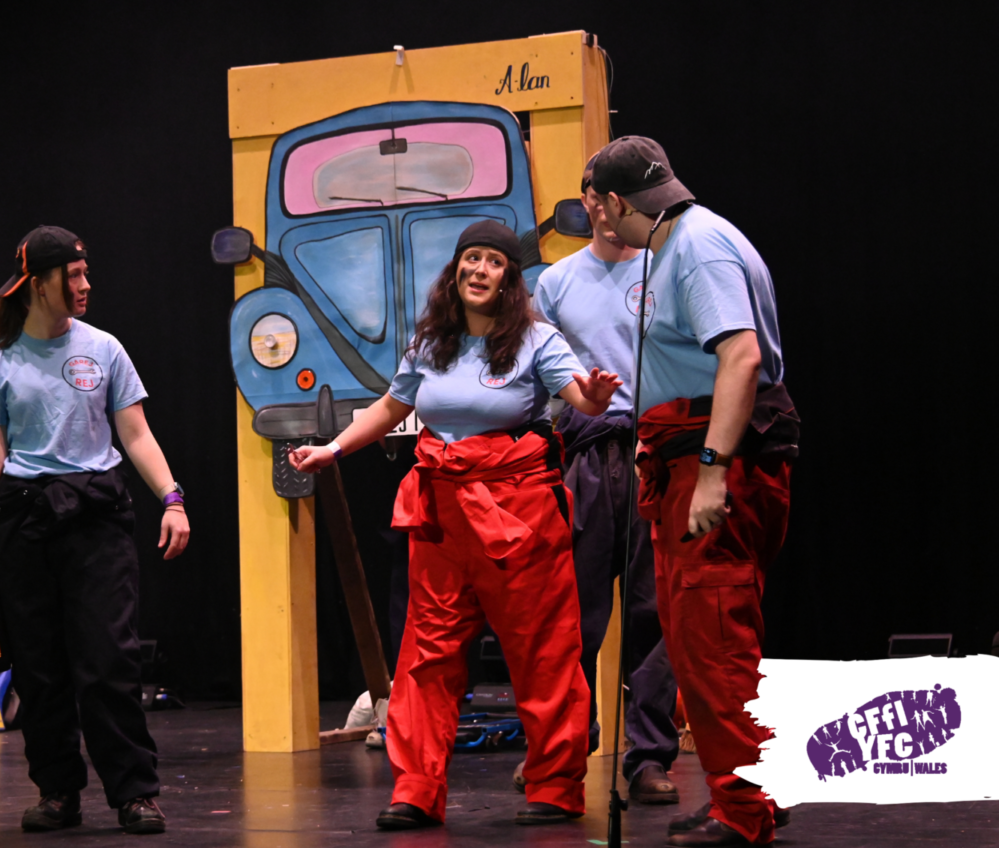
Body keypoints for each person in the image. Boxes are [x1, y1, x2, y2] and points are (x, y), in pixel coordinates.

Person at [290, 221, 622, 829]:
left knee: (543, 651)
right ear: (456, 270)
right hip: (442, 515)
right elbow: (391, 406)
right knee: (426, 654)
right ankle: (416, 789)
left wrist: (596, 397)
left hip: (517, 513)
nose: (479, 269)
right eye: (471, 258)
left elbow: (580, 399)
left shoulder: (536, 340)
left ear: (509, 279)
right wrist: (332, 450)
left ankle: (555, 786)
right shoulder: (430, 343)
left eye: (493, 261)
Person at [589, 137, 799, 848]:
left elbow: (740, 356)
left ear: (614, 202)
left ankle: (742, 812)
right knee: (707, 638)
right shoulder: (677, 242)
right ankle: (754, 790)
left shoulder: (699, 248)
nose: (596, 215)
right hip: (686, 452)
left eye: (598, 203)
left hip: (714, 462)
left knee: (712, 641)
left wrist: (712, 469)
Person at [0, 226, 190, 835]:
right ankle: (57, 790)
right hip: (23, 522)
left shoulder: (104, 348)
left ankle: (134, 793)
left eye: (85, 273)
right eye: (74, 275)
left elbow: (135, 433)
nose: (85, 285)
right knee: (38, 666)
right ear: (39, 284)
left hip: (96, 516)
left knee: (108, 658)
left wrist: (172, 499)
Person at [527, 152, 681, 804]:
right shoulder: (556, 283)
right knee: (575, 615)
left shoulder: (665, 269)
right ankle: (567, 746)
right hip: (587, 460)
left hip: (655, 454)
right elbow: (537, 380)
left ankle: (648, 757)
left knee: (655, 611)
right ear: (591, 198)